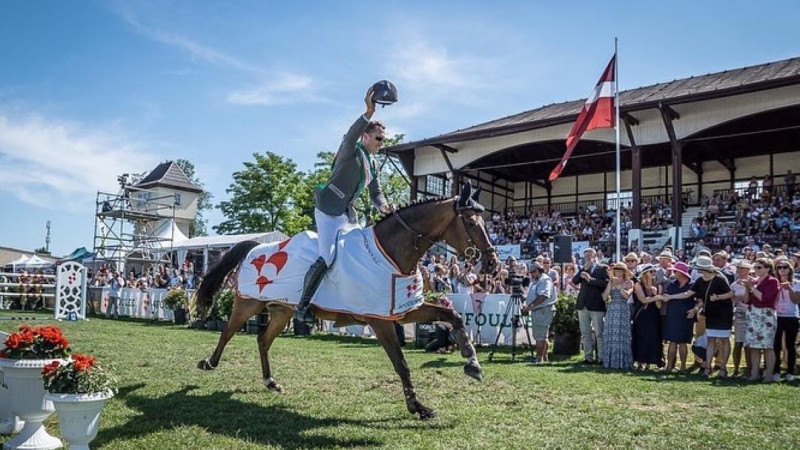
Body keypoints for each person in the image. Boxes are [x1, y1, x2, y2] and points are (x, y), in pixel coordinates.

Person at [295, 85, 394, 324]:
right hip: (328, 212)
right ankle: (302, 307)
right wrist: (368, 112)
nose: (382, 143)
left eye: (384, 139)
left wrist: (384, 207)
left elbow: (376, 193)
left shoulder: (372, 163)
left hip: (349, 216)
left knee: (362, 252)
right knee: (328, 257)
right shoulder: (351, 149)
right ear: (366, 136)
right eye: (378, 138)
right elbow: (351, 134)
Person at [667, 256, 733, 377]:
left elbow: (730, 293)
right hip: (710, 313)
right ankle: (708, 367)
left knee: (724, 340)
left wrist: (717, 297)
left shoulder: (719, 279)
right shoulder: (700, 281)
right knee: (711, 340)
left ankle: (723, 368)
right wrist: (671, 297)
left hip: (723, 313)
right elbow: (688, 294)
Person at [742, 257, 779, 383]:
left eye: (760, 267)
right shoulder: (754, 281)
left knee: (767, 346)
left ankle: (768, 374)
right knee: (753, 346)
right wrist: (747, 288)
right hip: (753, 314)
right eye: (755, 267)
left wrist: (752, 288)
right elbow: (746, 300)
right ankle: (755, 373)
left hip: (766, 315)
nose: (756, 270)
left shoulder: (772, 281)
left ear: (768, 268)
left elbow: (764, 297)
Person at [573, 248, 609, 364]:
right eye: (586, 256)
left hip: (596, 304)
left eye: (590, 255)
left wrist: (590, 279)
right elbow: (575, 281)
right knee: (585, 333)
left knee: (599, 333)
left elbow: (605, 284)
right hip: (583, 305)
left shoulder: (602, 268)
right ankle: (588, 357)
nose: (588, 258)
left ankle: (601, 357)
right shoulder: (583, 269)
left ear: (595, 256)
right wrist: (584, 269)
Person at [661, 262, 695, 372]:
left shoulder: (692, 285)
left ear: (681, 273)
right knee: (672, 341)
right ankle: (669, 366)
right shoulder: (672, 284)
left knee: (683, 342)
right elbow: (666, 296)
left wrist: (695, 309)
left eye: (675, 271)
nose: (673, 272)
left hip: (686, 316)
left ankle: (683, 367)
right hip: (672, 315)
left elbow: (700, 300)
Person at [601, 262, 634, 370]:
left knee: (622, 335)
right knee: (611, 334)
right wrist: (610, 285)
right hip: (612, 308)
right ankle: (610, 361)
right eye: (616, 270)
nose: (618, 272)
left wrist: (620, 287)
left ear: (624, 272)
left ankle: (622, 362)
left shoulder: (629, 282)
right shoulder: (611, 282)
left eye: (620, 270)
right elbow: (604, 297)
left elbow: (626, 296)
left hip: (623, 309)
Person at [522, 262, 557, 363]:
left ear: (539, 270)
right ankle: (544, 357)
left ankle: (538, 358)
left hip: (543, 309)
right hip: (538, 310)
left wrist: (531, 306)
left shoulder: (544, 280)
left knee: (540, 336)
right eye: (530, 272)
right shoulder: (536, 281)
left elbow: (544, 296)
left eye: (534, 271)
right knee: (542, 335)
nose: (532, 274)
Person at [632, 264, 663, 370]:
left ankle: (651, 361)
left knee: (653, 337)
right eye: (651, 272)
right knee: (641, 337)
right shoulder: (639, 285)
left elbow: (659, 305)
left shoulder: (658, 286)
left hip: (654, 315)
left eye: (655, 271)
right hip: (642, 314)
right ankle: (640, 362)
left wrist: (655, 295)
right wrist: (656, 297)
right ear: (645, 273)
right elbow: (643, 300)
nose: (654, 273)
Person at [773, 256, 800, 381]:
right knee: (776, 345)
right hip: (777, 316)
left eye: (785, 267)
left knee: (790, 345)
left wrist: (789, 289)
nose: (782, 270)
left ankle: (789, 371)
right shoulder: (774, 283)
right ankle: (776, 371)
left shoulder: (797, 283)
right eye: (779, 267)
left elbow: (796, 300)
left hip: (791, 316)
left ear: (790, 269)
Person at [730, 260, 754, 377]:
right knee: (738, 343)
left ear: (749, 270)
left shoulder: (754, 282)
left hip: (751, 314)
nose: (740, 270)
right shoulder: (734, 285)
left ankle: (749, 369)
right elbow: (732, 301)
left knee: (748, 344)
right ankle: (736, 369)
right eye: (739, 268)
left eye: (743, 268)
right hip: (739, 314)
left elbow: (748, 300)